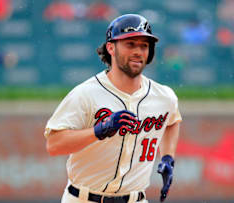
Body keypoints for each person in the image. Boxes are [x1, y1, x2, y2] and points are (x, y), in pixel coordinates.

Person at [44, 14, 182, 203]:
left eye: (144, 46)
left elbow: (172, 121)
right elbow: (54, 144)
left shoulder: (164, 96)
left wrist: (167, 157)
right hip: (84, 198)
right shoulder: (86, 93)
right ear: (111, 47)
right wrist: (99, 130)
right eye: (130, 44)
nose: (138, 51)